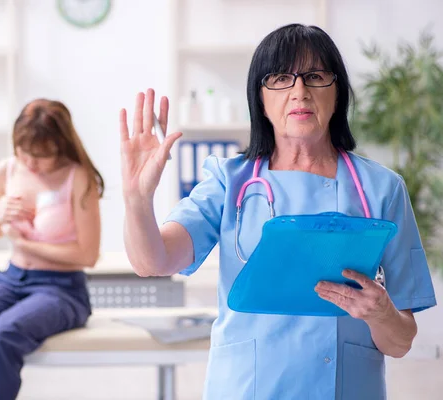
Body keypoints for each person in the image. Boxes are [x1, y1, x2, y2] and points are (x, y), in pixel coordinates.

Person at [120, 24, 437, 399]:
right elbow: (152, 262)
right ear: (260, 97)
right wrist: (137, 200)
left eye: (316, 76)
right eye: (281, 78)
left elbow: (400, 343)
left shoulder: (382, 189)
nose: (299, 92)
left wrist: (381, 313)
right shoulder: (229, 181)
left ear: (337, 93)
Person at [0, 99, 104, 400]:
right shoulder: (8, 169)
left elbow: (87, 255)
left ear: (60, 145)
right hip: (11, 279)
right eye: (23, 151)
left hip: (61, 290)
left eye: (40, 156)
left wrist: (24, 243)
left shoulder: (78, 178)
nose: (30, 163)